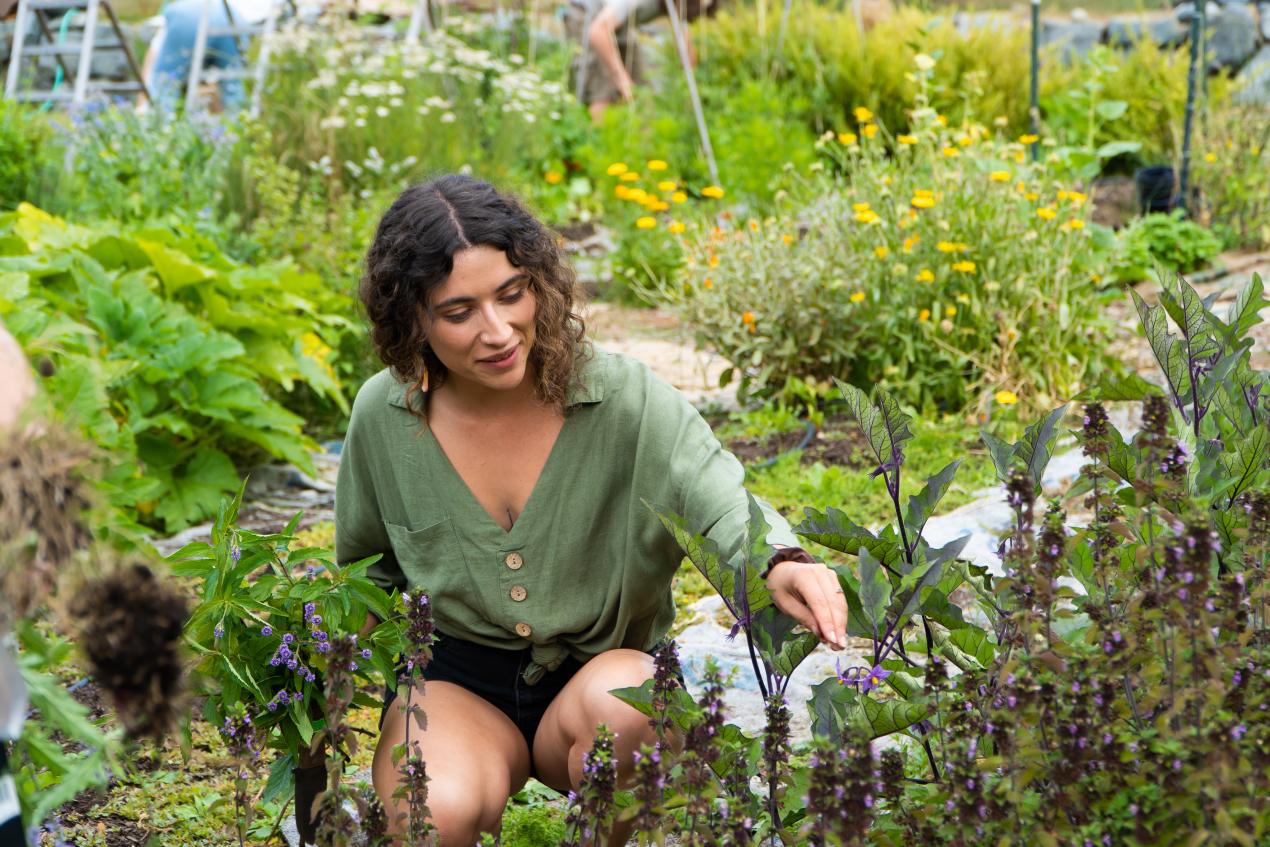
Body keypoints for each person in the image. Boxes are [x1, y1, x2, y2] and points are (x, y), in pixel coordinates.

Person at [337, 174, 848, 845]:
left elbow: (720, 498)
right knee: (430, 810)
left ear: (539, 284)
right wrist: (321, 672)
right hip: (456, 684)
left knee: (633, 710)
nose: (497, 331)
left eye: (511, 294)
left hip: (600, 670)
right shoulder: (385, 415)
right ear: (413, 319)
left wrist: (782, 560)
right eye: (459, 312)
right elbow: (364, 573)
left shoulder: (624, 398)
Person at [566, 0, 715, 122]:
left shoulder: (680, 6)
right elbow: (598, 31)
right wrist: (622, 79)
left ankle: (646, 151)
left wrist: (692, 90)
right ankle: (597, 151)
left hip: (620, 25)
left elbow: (685, 48)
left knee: (643, 92)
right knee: (604, 91)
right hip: (590, 18)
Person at [139, 0, 278, 113]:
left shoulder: (167, 23)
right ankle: (238, 130)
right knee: (233, 85)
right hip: (235, 18)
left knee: (164, 82)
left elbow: (152, 65)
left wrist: (141, 105)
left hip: (192, 14)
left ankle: (159, 128)